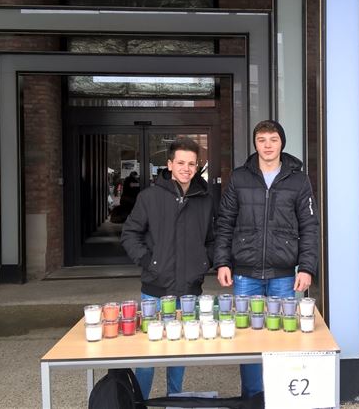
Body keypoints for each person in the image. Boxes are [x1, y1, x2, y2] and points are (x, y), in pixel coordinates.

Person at [214, 119, 319, 398]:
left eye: (273, 139)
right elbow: (225, 222)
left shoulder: (298, 179)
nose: (268, 145)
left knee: (283, 337)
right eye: (262, 140)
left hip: (284, 275)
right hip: (245, 274)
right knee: (247, 339)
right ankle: (252, 397)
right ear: (255, 144)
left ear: (282, 142)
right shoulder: (239, 177)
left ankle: (280, 396)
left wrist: (306, 267)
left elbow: (310, 226)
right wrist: (223, 261)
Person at [121, 137, 215, 399]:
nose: (186, 168)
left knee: (180, 351)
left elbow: (212, 239)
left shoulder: (205, 199)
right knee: (149, 355)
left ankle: (176, 400)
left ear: (198, 167)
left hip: (189, 290)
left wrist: (203, 261)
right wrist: (150, 262)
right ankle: (141, 401)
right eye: (181, 162)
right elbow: (130, 234)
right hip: (155, 290)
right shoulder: (150, 197)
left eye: (192, 164)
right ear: (170, 164)